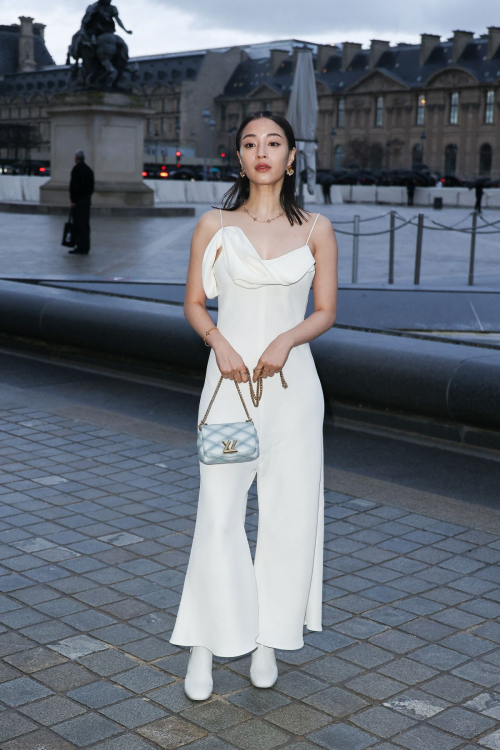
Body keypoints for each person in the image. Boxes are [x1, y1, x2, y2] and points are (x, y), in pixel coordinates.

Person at [169, 111, 338, 700]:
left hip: (295, 395)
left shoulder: (317, 227)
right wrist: (220, 344)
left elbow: (324, 311)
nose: (261, 151)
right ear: (237, 157)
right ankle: (204, 645)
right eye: (249, 143)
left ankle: (268, 638)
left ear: (292, 156)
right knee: (217, 516)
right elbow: (194, 303)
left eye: (273, 143)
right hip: (228, 391)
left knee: (289, 518)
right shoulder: (213, 224)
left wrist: (287, 338)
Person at [68, 149, 94, 255]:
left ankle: (79, 246)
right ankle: (86, 246)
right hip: (86, 202)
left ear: (76, 158)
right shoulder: (89, 170)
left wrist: (73, 200)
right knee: (85, 225)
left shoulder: (76, 169)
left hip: (78, 202)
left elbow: (74, 187)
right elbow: (91, 187)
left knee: (78, 224)